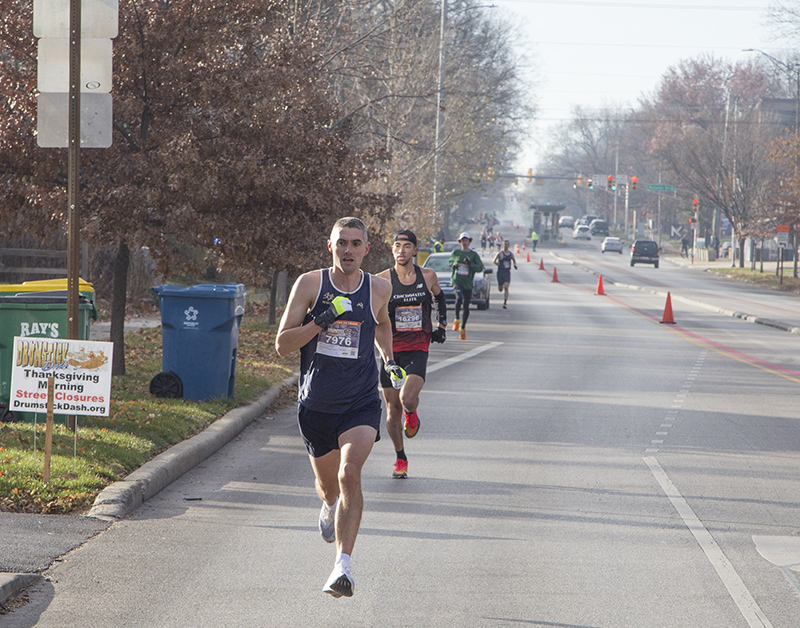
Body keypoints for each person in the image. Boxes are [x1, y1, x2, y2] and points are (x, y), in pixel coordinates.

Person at [275, 216, 405, 599]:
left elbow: (381, 324)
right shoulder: (310, 284)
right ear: (330, 246)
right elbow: (282, 345)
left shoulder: (379, 288)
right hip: (316, 403)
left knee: (350, 474)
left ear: (367, 249)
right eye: (341, 243)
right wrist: (320, 321)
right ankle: (329, 503)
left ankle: (341, 568)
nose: (348, 250)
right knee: (330, 486)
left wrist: (388, 356)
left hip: (360, 401)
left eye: (356, 243)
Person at [376, 229, 447, 479]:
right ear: (392, 250)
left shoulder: (427, 276)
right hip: (391, 352)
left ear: (415, 250)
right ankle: (400, 457)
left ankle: (412, 412)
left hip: (418, 346)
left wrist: (442, 326)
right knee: (391, 408)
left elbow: (440, 297)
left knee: (406, 398)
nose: (402, 250)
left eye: (407, 246)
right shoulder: (382, 280)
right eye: (397, 246)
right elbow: (373, 318)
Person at [449, 231, 484, 340]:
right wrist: (454, 264)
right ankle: (456, 319)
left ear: (469, 242)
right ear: (460, 242)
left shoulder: (473, 255)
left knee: (466, 305)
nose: (464, 242)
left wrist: (470, 264)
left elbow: (480, 268)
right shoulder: (456, 252)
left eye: (466, 240)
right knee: (459, 298)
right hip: (457, 280)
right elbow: (451, 262)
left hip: (468, 283)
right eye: (463, 240)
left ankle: (463, 328)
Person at [494, 239, 518, 309]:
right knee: (500, 288)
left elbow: (514, 260)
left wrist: (515, 265)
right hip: (500, 272)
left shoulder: (511, 254)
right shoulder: (500, 253)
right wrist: (499, 265)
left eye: (507, 244)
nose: (506, 246)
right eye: (504, 245)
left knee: (506, 287)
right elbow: (494, 261)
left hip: (507, 272)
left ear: (509, 245)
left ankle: (505, 302)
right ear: (502, 245)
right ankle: (500, 285)